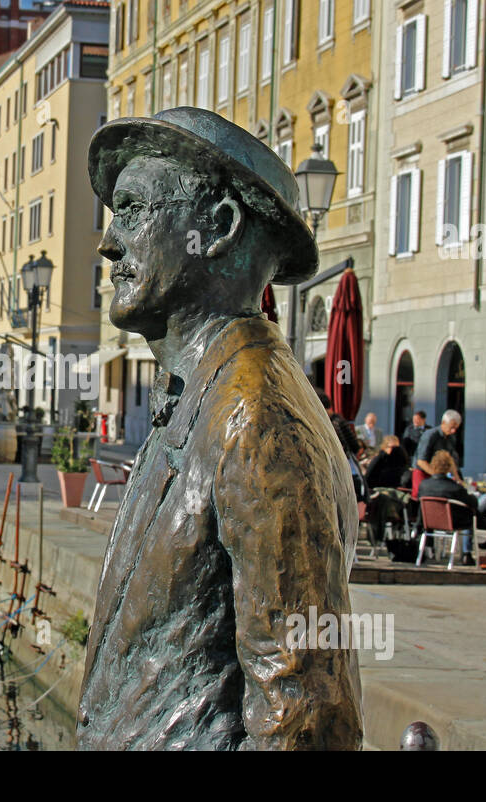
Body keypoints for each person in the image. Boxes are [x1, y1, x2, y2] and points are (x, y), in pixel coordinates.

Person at [77, 106, 361, 750]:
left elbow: (305, 711)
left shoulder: (254, 419)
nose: (108, 242)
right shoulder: (202, 398)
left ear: (219, 228)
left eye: (134, 210)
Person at [417, 450, 477, 565]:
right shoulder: (454, 488)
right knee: (470, 513)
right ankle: (466, 553)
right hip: (452, 523)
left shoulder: (424, 485)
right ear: (450, 467)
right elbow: (472, 503)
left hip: (428, 522)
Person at [412, 409, 462, 498]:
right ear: (443, 423)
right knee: (422, 497)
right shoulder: (430, 435)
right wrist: (437, 476)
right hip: (422, 471)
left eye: (456, 428)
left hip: (437, 474)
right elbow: (421, 461)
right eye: (451, 427)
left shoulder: (451, 438)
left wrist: (458, 479)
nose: (453, 431)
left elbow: (450, 460)